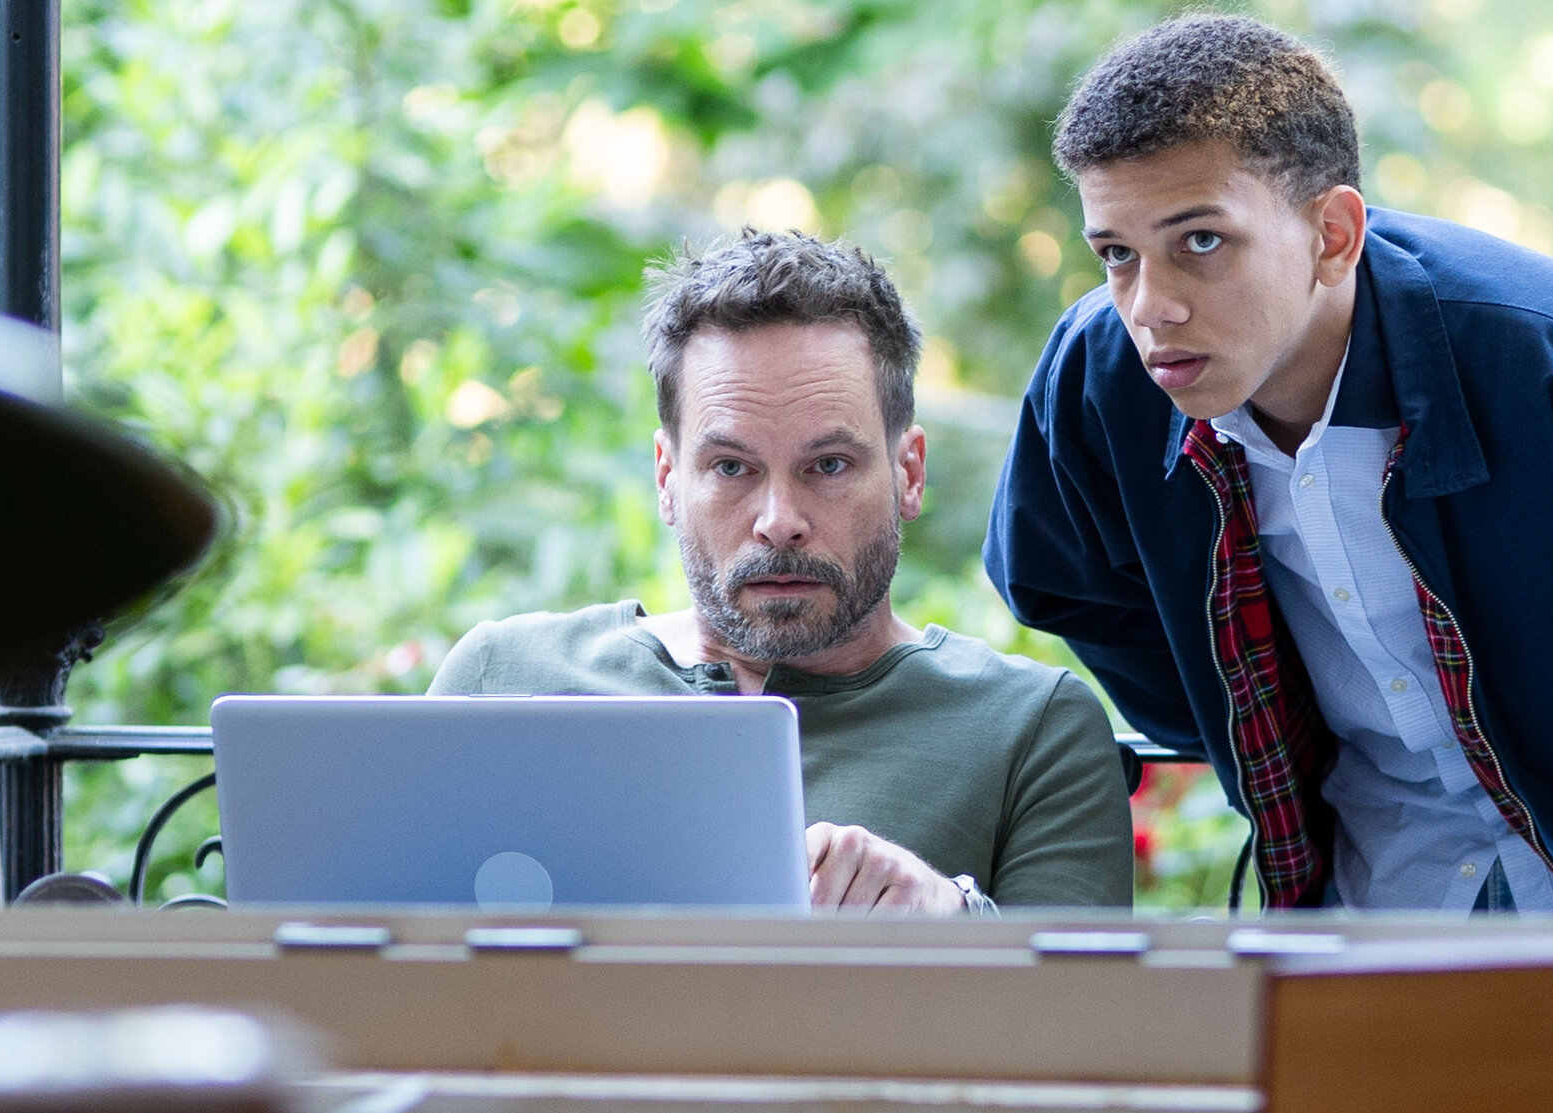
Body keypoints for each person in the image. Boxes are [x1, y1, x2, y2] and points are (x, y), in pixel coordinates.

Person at [984, 15, 1553, 913]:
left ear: (1334, 233)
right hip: (1369, 903)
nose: (1151, 308)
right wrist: (1257, 723)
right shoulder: (1100, 379)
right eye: (1116, 254)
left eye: (1200, 242)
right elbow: (1063, 586)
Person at [432, 230, 1134, 912]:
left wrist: (952, 921)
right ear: (668, 478)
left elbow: (1086, 1024)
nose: (779, 519)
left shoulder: (1030, 731)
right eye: (732, 467)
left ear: (908, 472)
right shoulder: (501, 679)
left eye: (828, 466)